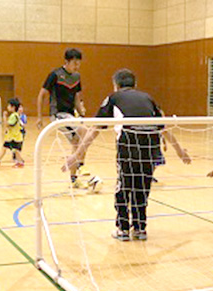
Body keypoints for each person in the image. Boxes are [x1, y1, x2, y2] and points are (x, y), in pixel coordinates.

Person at [64, 69, 191, 241]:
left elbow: (95, 128)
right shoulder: (148, 97)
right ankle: (140, 229)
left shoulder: (113, 98)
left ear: (115, 85)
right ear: (135, 85)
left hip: (129, 144)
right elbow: (164, 125)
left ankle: (123, 229)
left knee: (124, 185)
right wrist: (180, 151)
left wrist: (77, 155)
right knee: (142, 186)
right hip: (150, 145)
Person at [36, 48, 89, 188]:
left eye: (79, 63)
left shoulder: (77, 76)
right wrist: (39, 117)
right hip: (58, 115)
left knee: (76, 142)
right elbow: (41, 95)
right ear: (67, 62)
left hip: (70, 115)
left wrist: (81, 112)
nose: (77, 66)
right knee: (83, 131)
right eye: (74, 63)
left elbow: (77, 97)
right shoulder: (55, 75)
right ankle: (81, 164)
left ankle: (73, 179)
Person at [0, 98, 25, 168]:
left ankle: (20, 162)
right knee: (4, 147)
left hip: (14, 137)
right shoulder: (14, 115)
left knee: (16, 150)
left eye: (9, 105)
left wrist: (4, 117)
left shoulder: (14, 116)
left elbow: (7, 125)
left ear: (13, 107)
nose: (7, 107)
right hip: (10, 137)